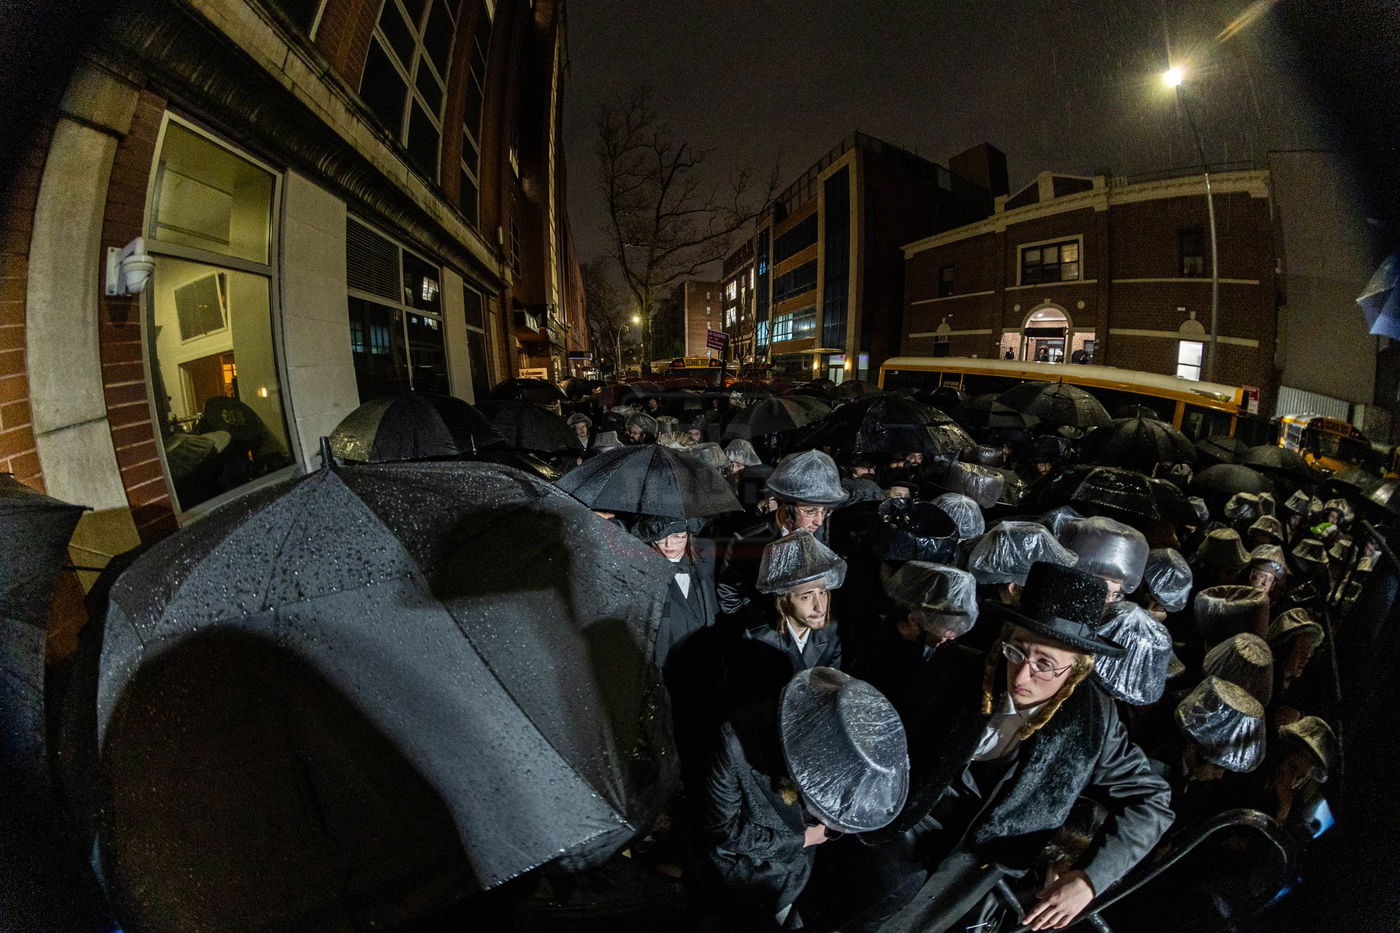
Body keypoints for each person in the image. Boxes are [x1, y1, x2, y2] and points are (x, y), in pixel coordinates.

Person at [839, 562, 1172, 933]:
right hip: (888, 845)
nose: (1022, 674)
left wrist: (1089, 879)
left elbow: (1151, 801)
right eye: (1017, 652)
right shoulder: (956, 669)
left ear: (1077, 668)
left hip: (965, 882)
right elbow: (880, 744)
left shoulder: (1094, 721)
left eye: (1045, 664)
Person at [703, 667, 908, 929]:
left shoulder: (849, 744)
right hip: (744, 870)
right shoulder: (737, 741)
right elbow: (722, 829)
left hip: (798, 871)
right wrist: (803, 840)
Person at [716, 450, 849, 630]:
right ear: (786, 506)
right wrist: (759, 629)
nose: (819, 521)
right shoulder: (748, 538)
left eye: (825, 511)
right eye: (810, 511)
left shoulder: (829, 532)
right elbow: (729, 593)